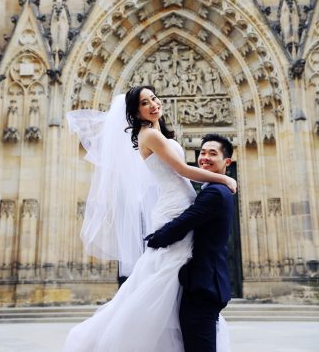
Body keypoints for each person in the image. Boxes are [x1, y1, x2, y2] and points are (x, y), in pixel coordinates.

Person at [64, 85, 236, 352]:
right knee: (167, 274)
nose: (154, 104)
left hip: (179, 203)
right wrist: (224, 177)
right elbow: (181, 170)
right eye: (145, 103)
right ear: (136, 112)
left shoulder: (156, 134)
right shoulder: (149, 135)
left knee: (173, 275)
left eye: (154, 98)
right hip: (174, 206)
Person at [146, 133, 235, 352]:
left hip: (203, 286)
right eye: (202, 152)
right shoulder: (216, 190)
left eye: (212, 154)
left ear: (227, 162)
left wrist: (154, 239)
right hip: (204, 284)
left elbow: (183, 224)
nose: (204, 158)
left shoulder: (215, 192)